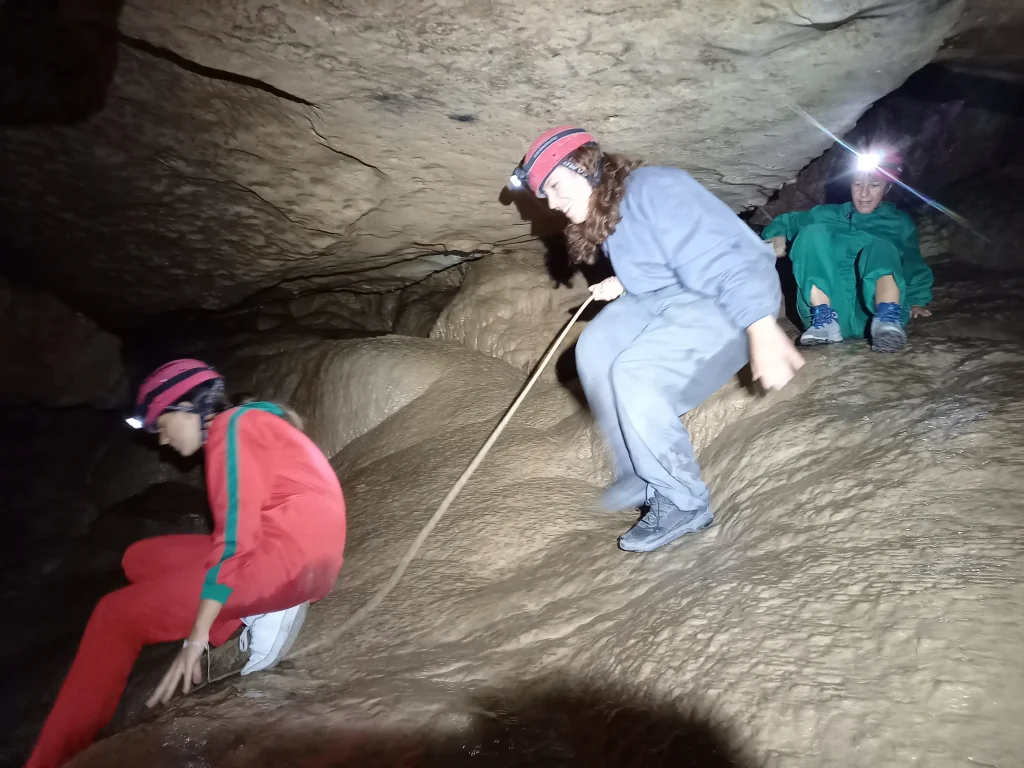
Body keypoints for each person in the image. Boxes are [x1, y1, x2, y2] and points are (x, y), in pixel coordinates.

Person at [26, 359, 346, 768]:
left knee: (114, 615)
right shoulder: (248, 423)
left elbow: (234, 542)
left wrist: (195, 638)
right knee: (139, 558)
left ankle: (54, 757)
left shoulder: (231, 431)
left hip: (288, 562)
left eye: (162, 425)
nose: (161, 441)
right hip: (298, 548)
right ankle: (242, 614)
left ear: (185, 407)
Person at [507, 126, 804, 553]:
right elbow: (659, 258)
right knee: (594, 351)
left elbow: (727, 255)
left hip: (723, 296)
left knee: (635, 375)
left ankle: (683, 501)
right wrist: (621, 281)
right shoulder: (607, 215)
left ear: (585, 166)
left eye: (554, 185)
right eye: (544, 195)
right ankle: (642, 471)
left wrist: (760, 325)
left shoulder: (656, 188)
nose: (552, 203)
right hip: (663, 296)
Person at [761, 149, 934, 352]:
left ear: (886, 188)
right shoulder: (829, 214)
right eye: (857, 184)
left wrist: (917, 300)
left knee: (881, 245)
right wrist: (778, 234)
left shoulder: (899, 223)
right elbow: (786, 221)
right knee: (811, 232)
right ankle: (824, 321)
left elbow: (913, 263)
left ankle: (887, 319)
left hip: (871, 314)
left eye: (874, 185)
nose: (864, 193)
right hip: (833, 309)